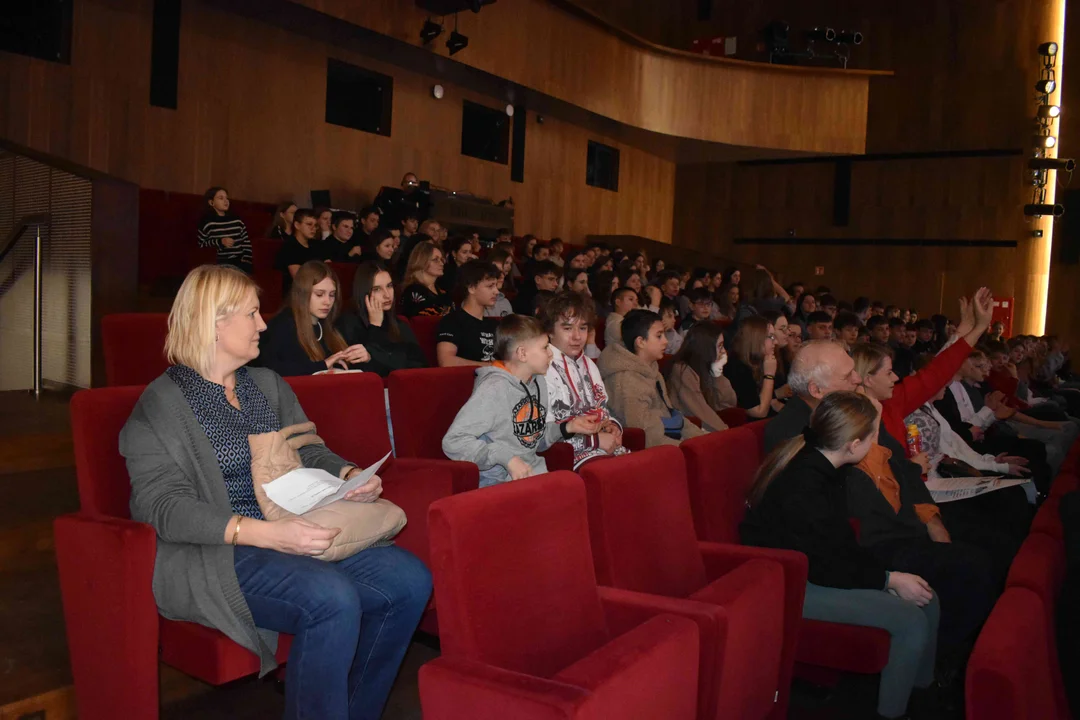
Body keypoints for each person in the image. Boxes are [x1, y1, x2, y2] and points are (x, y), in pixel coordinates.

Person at [121, 264, 430, 719]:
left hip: (291, 527)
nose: (264, 323)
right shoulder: (164, 404)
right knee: (332, 599)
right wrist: (265, 536)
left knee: (408, 581)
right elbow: (161, 507)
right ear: (214, 322)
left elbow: (310, 451)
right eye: (251, 314)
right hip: (218, 549)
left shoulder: (266, 384)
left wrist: (346, 476)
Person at [742, 392, 939, 720]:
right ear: (854, 444)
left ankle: (922, 694)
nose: (878, 442)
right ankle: (892, 713)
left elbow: (839, 547)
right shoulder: (805, 485)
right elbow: (822, 565)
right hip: (788, 582)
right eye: (873, 436)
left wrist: (889, 577)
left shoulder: (827, 466)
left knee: (926, 596)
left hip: (815, 569)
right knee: (909, 621)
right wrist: (887, 580)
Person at [442, 314, 601, 487]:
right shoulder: (493, 389)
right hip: (499, 483)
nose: (550, 354)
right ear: (522, 354)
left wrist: (567, 427)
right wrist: (506, 458)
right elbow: (454, 441)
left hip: (534, 475)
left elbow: (532, 441)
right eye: (545, 347)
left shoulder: (537, 382)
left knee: (575, 493)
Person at [539, 291, 628, 468]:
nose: (577, 337)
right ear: (549, 331)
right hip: (569, 457)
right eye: (567, 328)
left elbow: (602, 408)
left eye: (582, 328)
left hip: (604, 449)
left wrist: (611, 425)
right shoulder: (541, 367)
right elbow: (543, 434)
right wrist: (593, 441)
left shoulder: (588, 363)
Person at [597, 309, 706, 447]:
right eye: (659, 336)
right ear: (640, 342)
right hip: (651, 452)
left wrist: (705, 440)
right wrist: (689, 449)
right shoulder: (626, 381)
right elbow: (646, 436)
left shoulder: (652, 369)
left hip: (669, 441)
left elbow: (672, 416)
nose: (665, 341)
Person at [257, 261, 371, 376]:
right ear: (302, 294)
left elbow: (348, 370)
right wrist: (323, 366)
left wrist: (364, 359)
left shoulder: (333, 325)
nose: (328, 302)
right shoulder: (283, 326)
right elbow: (272, 371)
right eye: (319, 294)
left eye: (332, 295)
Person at [337, 263, 427, 376]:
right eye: (377, 289)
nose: (387, 295)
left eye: (389, 286)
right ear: (364, 293)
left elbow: (420, 367)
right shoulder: (348, 323)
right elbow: (362, 370)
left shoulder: (399, 324)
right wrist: (375, 327)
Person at [665, 323, 735, 432]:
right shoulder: (682, 370)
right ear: (706, 347)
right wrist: (725, 431)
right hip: (690, 429)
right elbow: (699, 409)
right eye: (720, 346)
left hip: (706, 427)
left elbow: (727, 405)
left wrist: (717, 376)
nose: (723, 351)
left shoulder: (707, 365)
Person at [436, 260, 501, 366]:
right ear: (471, 288)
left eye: (496, 286)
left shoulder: (495, 325)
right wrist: (490, 367)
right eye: (490, 286)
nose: (496, 291)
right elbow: (446, 361)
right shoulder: (452, 321)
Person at [725, 315, 779, 419]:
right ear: (756, 338)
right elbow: (759, 412)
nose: (776, 342)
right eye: (771, 337)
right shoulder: (737, 367)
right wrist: (769, 376)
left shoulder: (758, 361)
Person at [197, 186, 252, 274]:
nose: (226, 201)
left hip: (239, 261)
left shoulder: (237, 220)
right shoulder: (207, 223)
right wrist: (220, 242)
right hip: (220, 262)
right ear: (211, 202)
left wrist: (246, 259)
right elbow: (201, 245)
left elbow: (246, 242)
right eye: (221, 198)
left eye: (227, 198)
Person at [273, 208, 320, 296]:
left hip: (314, 289)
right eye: (309, 224)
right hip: (295, 293)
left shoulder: (315, 245)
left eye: (315, 225)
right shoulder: (290, 246)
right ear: (297, 225)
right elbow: (299, 278)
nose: (313, 228)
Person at [400, 241, 452, 318]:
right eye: (435, 259)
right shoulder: (413, 291)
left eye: (442, 259)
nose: (441, 263)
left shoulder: (442, 291)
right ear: (422, 261)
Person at [484, 246, 515, 318]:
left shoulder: (504, 301)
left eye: (503, 272)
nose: (502, 276)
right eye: (497, 272)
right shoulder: (479, 300)